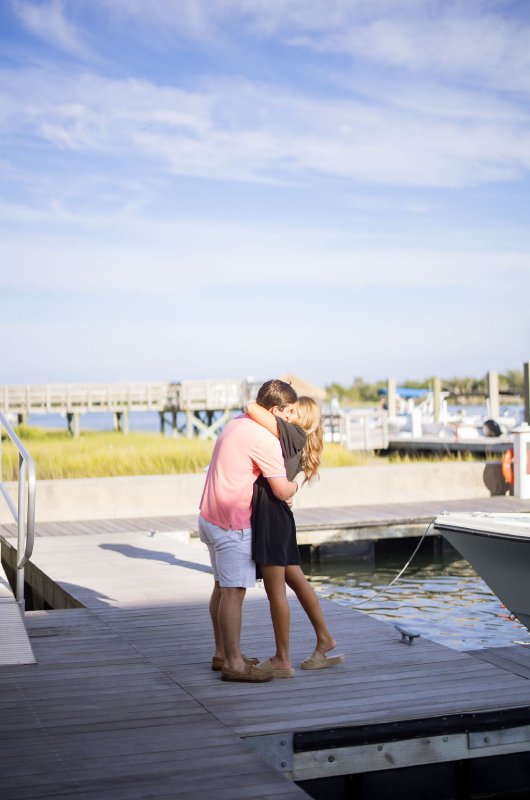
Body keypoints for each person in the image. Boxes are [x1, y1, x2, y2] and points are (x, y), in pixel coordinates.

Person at [198, 379, 299, 683]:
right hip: (233, 523)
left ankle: (223, 653)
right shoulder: (263, 438)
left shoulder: (237, 422)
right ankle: (233, 664)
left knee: (220, 586)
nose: (291, 419)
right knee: (233, 592)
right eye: (289, 412)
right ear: (274, 410)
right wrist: (298, 483)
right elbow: (282, 490)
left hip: (208, 516)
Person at [245, 396, 344, 678]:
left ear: (303, 419)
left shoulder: (291, 433)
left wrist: (269, 399)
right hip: (281, 518)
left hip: (271, 518)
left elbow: (252, 408)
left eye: (293, 411)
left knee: (275, 591)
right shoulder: (300, 440)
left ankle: (281, 658)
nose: (286, 414)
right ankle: (324, 637)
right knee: (297, 581)